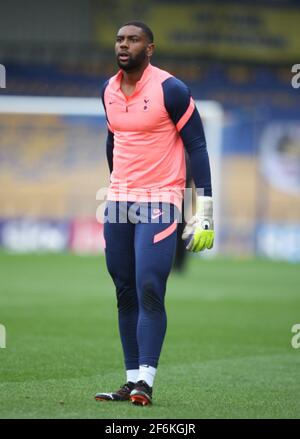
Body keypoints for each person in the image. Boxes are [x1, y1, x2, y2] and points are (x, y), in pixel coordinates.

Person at [95, 21, 214, 406]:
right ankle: (130, 381)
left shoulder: (171, 89)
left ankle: (147, 380)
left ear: (150, 49)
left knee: (149, 286)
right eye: (120, 39)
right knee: (124, 289)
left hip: (161, 202)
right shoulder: (108, 90)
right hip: (118, 203)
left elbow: (197, 146)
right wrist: (119, 187)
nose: (124, 44)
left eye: (133, 39)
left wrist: (204, 209)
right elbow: (113, 140)